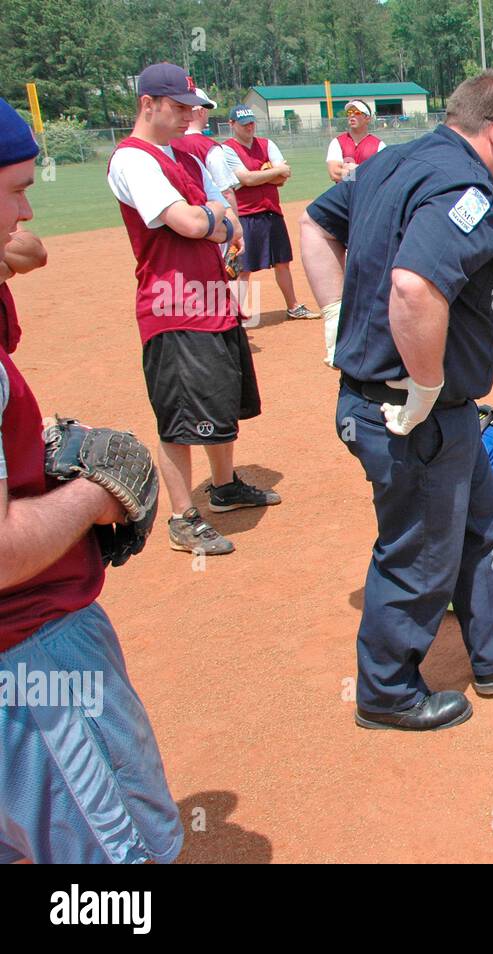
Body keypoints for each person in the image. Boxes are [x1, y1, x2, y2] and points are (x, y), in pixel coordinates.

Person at [299, 70, 493, 732]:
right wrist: (420, 384)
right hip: (407, 413)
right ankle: (386, 691)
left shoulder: (393, 161)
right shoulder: (465, 187)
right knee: (419, 549)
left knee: (482, 525)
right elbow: (415, 286)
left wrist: (337, 315)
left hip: (434, 412)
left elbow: (313, 222)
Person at [0, 97, 183, 863]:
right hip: (32, 659)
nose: (26, 208)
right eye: (12, 188)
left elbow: (29, 250)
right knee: (118, 867)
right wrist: (94, 492)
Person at [107, 62, 279, 557]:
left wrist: (213, 219)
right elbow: (188, 221)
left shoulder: (182, 153)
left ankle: (223, 488)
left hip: (212, 299)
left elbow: (222, 213)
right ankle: (183, 516)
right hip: (173, 306)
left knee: (220, 401)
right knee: (181, 415)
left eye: (192, 107)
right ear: (148, 104)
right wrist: (213, 220)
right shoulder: (133, 160)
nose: (189, 116)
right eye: (179, 107)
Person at [222, 104, 318, 319]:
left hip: (271, 212)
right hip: (246, 215)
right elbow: (244, 178)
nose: (249, 127)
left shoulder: (267, 144)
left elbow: (283, 175)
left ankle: (293, 306)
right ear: (232, 124)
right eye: (244, 123)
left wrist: (262, 175)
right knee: (244, 266)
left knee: (282, 261)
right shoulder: (227, 149)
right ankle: (237, 313)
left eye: (252, 122)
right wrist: (268, 173)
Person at [325, 99, 386, 184]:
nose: (352, 115)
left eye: (357, 112)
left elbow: (382, 175)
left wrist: (356, 169)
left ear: (367, 118)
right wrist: (366, 172)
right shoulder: (337, 142)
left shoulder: (379, 145)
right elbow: (334, 173)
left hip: (367, 195)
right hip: (344, 196)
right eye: (349, 112)